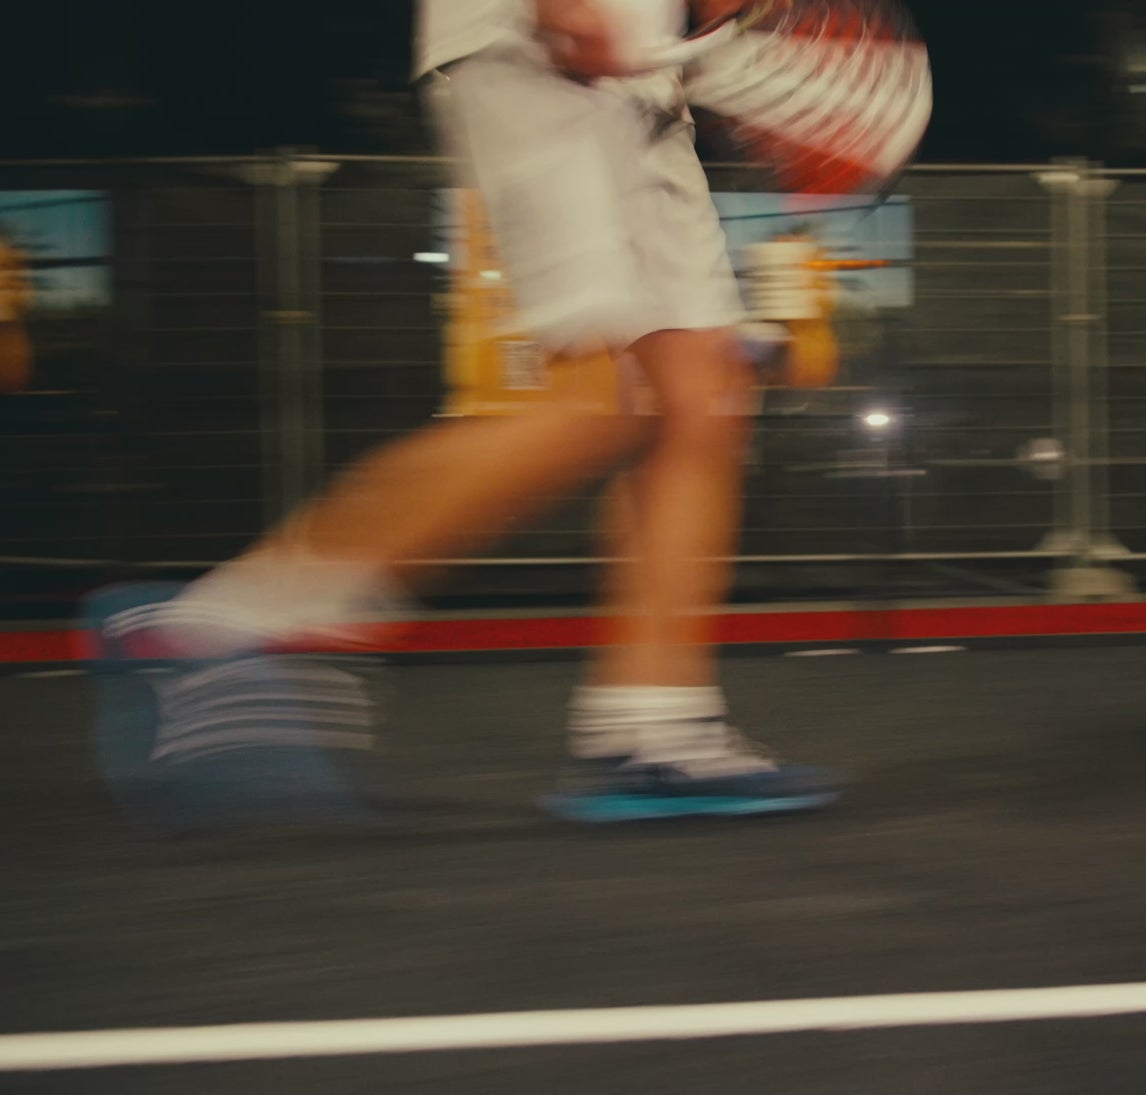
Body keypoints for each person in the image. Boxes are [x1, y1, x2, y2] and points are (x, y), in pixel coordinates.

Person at [85, 0, 840, 825]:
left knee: (703, 399)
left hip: (645, 76)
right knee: (598, 402)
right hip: (546, 48)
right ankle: (208, 628)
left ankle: (654, 727)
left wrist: (732, 40)